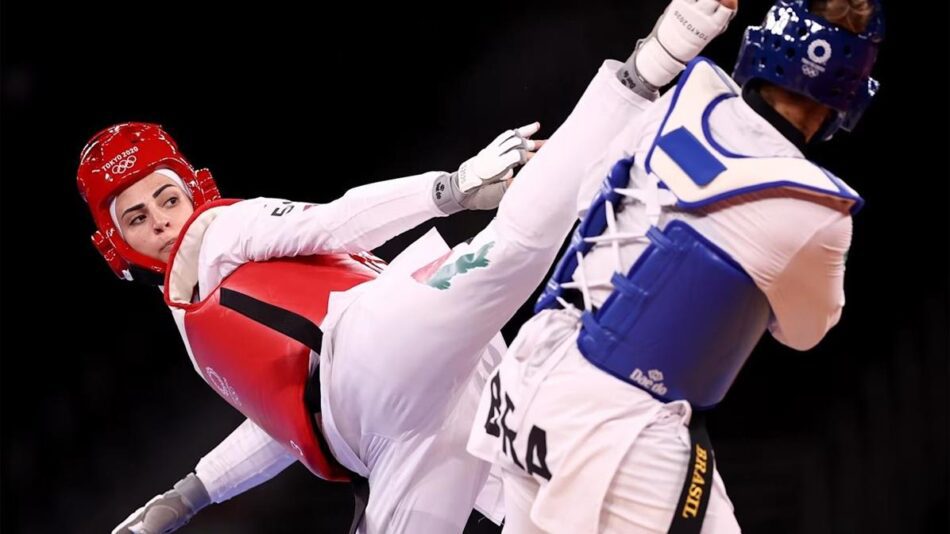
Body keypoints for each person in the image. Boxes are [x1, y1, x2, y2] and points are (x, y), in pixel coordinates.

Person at [466, 0, 883, 532]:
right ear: (849, 92)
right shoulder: (817, 208)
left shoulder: (689, 96)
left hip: (527, 371)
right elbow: (805, 332)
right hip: (617, 422)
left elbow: (590, 195)